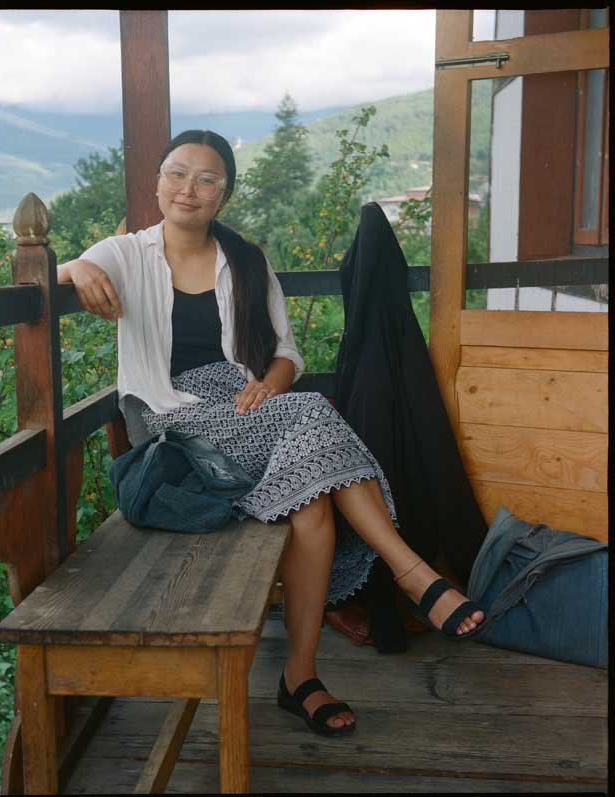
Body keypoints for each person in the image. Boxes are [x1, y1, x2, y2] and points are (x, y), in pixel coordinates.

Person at [57, 129, 485, 737]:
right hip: (173, 424)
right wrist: (74, 265)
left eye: (207, 180)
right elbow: (62, 271)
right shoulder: (126, 253)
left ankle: (300, 677)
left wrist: (272, 386)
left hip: (246, 410)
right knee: (314, 415)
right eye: (177, 174)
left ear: (223, 195)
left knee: (313, 506)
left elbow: (285, 355)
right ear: (157, 182)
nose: (189, 189)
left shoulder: (247, 261)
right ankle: (412, 572)